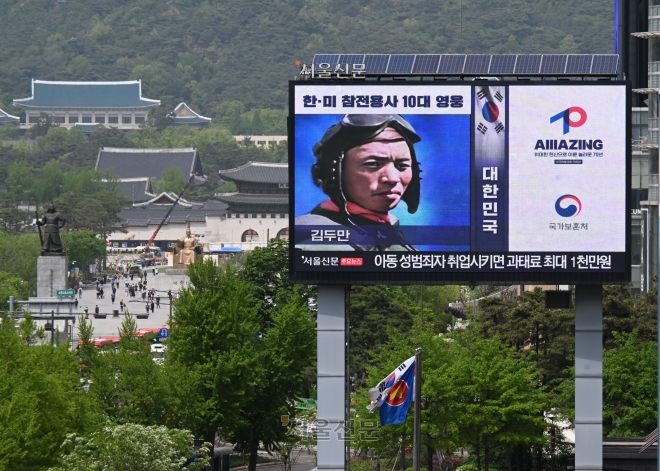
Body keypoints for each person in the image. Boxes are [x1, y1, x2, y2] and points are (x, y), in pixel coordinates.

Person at [295, 114, 421, 251]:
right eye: (373, 164)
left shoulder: (391, 236)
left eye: (402, 166)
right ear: (333, 174)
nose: (393, 178)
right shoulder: (320, 245)